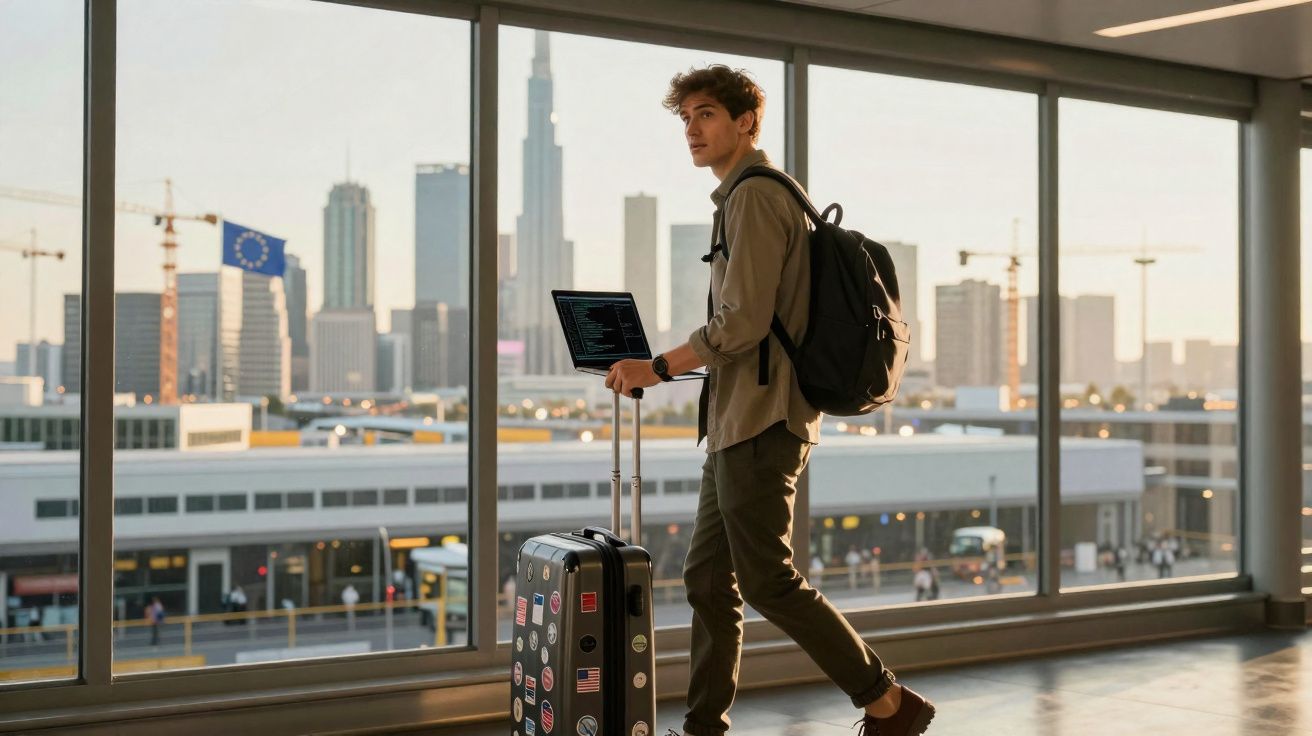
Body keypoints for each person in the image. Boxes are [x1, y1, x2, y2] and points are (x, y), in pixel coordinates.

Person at [606, 65, 934, 736]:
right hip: (736, 422)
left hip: (761, 421)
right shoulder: (741, 198)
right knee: (706, 578)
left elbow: (742, 325)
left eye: (706, 115)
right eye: (686, 119)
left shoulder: (755, 197)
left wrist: (657, 368)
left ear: (746, 121)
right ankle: (704, 726)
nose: (692, 130)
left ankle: (889, 701)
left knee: (766, 581)